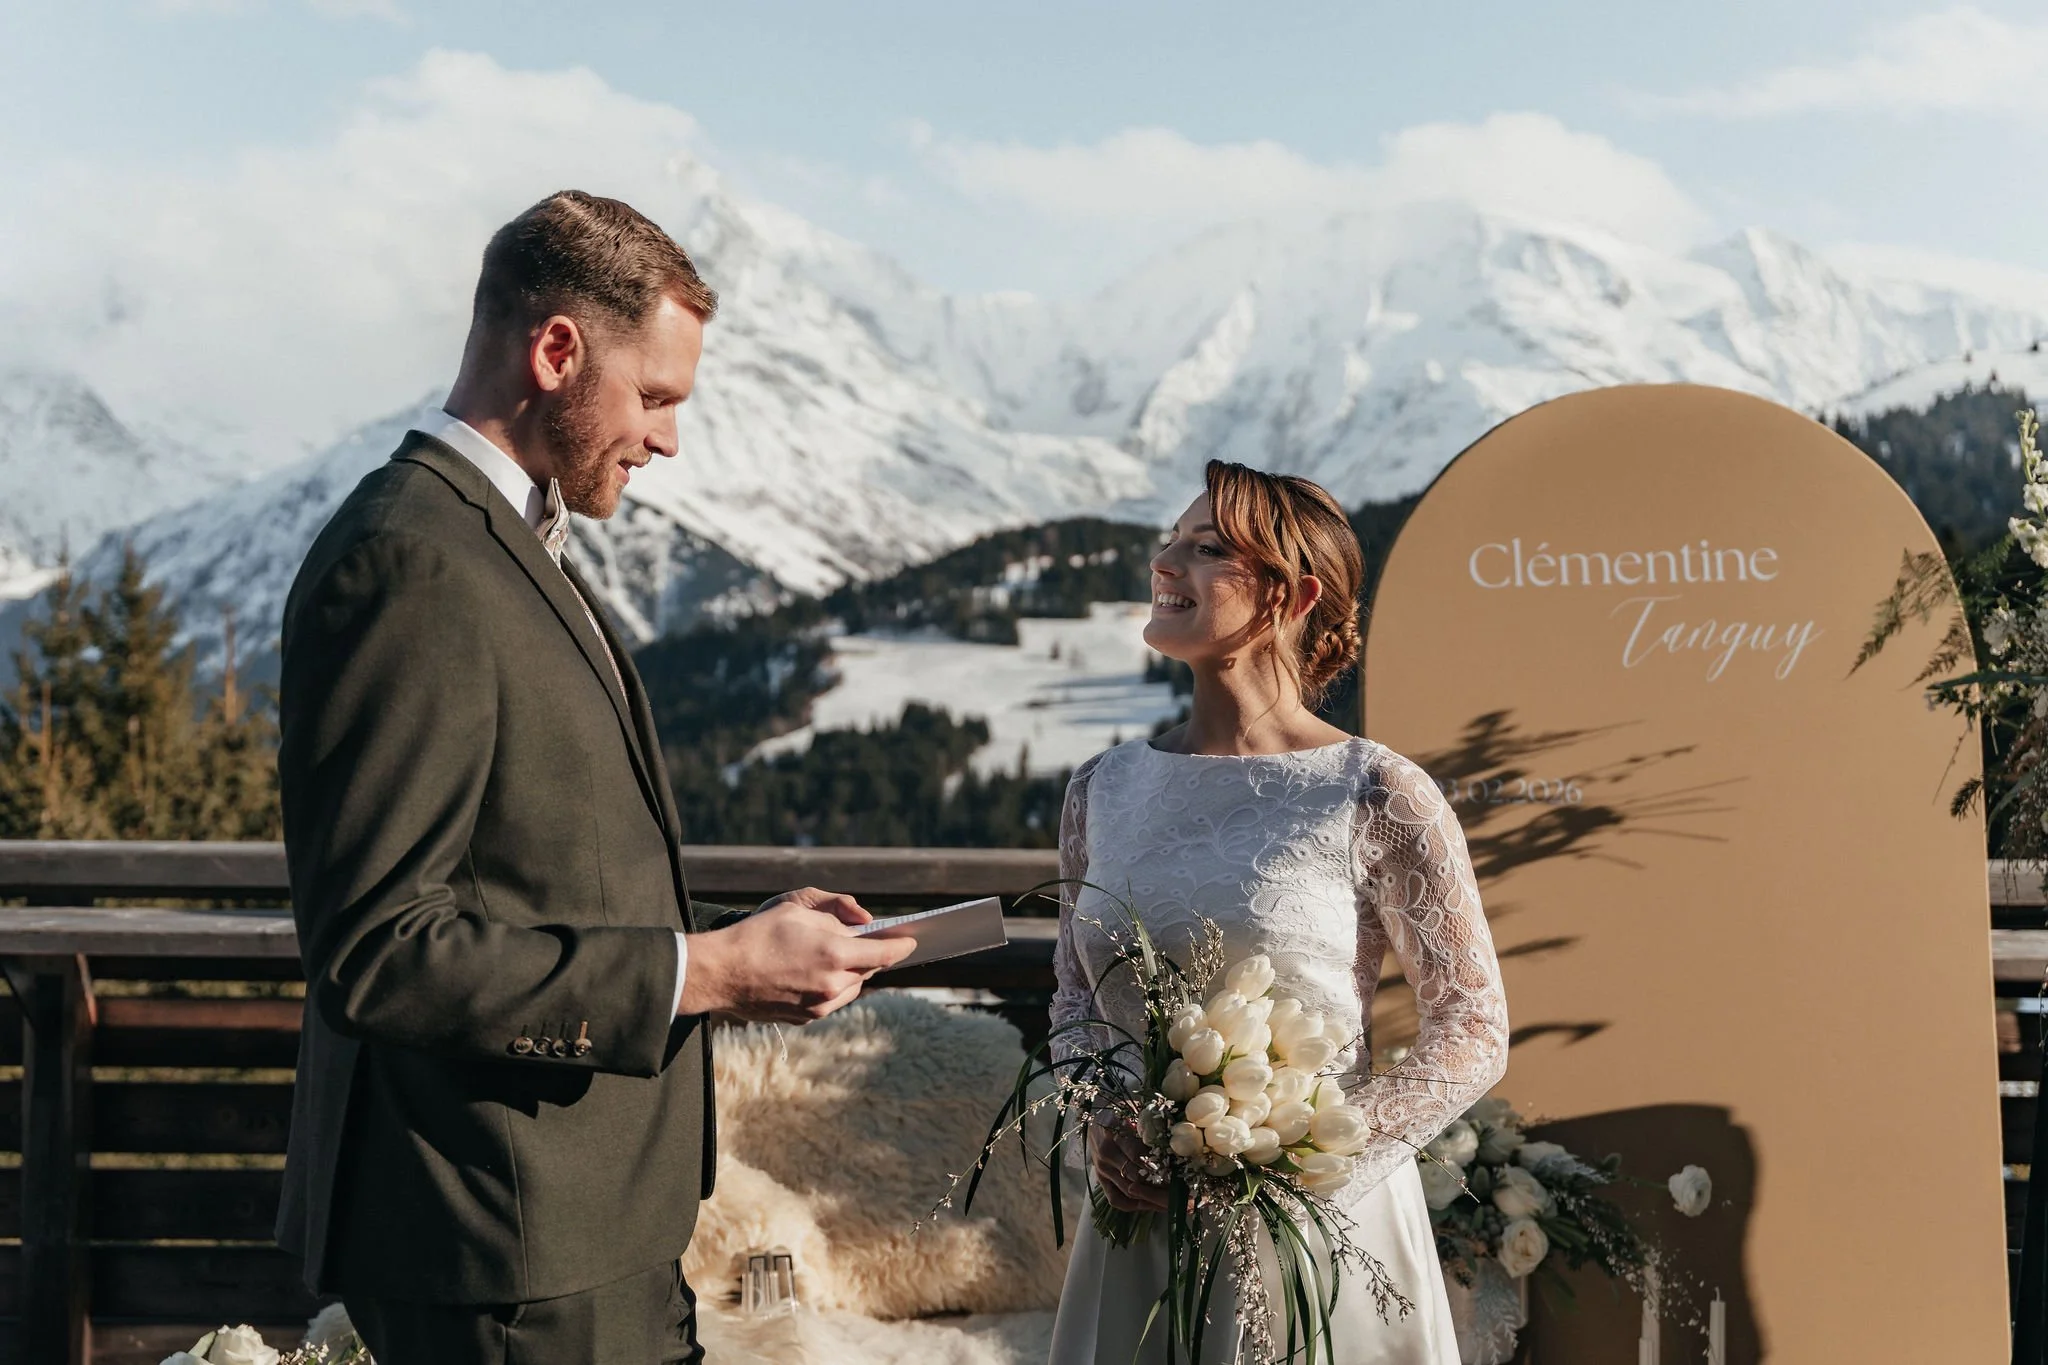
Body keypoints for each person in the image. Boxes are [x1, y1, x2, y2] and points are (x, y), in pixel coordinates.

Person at [273, 190, 914, 1365]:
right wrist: (706, 971)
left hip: (582, 1234)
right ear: (556, 351)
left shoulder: (500, 540)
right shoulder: (410, 561)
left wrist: (746, 940)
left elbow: (535, 880)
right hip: (500, 1253)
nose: (668, 438)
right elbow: (379, 950)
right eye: (656, 397)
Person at [1047, 460, 1510, 1363]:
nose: (1165, 561)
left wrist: (1298, 1157)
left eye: (1207, 547)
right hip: (1140, 1231)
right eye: (1170, 540)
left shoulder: (1376, 790)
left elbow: (1472, 1025)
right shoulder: (1103, 789)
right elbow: (1072, 999)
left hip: (1320, 1235)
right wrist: (1104, 1118)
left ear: (1291, 595)